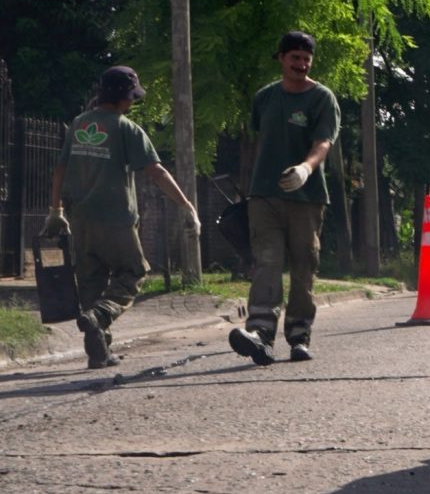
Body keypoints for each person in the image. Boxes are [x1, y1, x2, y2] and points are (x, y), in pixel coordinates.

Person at [43, 66, 201, 370]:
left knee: (90, 281)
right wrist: (186, 205)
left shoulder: (78, 124)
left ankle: (98, 352)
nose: (133, 103)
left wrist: (55, 210)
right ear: (124, 97)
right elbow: (156, 171)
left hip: (81, 219)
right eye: (132, 97)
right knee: (133, 272)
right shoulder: (125, 128)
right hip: (115, 217)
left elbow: (60, 169)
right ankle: (101, 316)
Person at [228, 31, 340, 365]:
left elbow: (323, 143)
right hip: (264, 195)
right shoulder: (264, 98)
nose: (301, 64)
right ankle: (260, 334)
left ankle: (298, 335)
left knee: (304, 265)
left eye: (307, 59)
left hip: (306, 197)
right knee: (267, 261)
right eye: (295, 58)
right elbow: (258, 141)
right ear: (281, 58)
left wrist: (305, 169)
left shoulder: (322, 99)